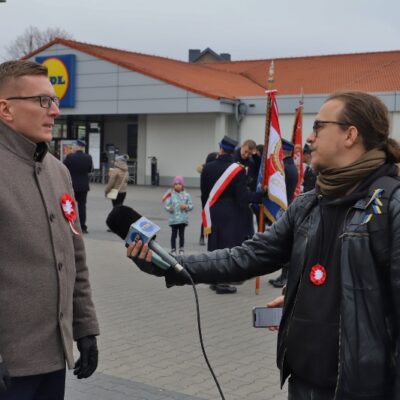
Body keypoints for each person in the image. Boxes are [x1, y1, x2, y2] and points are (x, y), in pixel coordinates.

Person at [128, 91, 400, 399]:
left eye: (319, 126)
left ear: (350, 134)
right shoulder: (309, 204)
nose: (309, 138)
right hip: (302, 382)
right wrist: (170, 265)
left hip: (364, 389)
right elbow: (249, 256)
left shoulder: (391, 204)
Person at [0, 60, 99, 399]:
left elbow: (74, 257)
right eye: (43, 101)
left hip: (53, 357)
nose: (55, 111)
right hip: (9, 363)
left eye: (54, 101)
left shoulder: (58, 171)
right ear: (6, 109)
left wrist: (85, 328)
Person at [200, 135, 263, 294]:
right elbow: (242, 198)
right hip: (231, 213)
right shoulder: (238, 170)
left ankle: (214, 280)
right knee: (226, 247)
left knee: (214, 245)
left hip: (213, 210)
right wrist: (259, 196)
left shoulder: (208, 167)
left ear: (220, 148)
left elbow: (204, 194)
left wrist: (206, 212)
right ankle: (222, 283)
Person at [269, 138, 298, 288]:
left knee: (284, 242)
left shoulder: (284, 169)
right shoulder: (292, 166)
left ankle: (284, 277)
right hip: (288, 205)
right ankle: (284, 275)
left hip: (283, 208)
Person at [64, 139, 93, 234]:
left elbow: (64, 168)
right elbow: (89, 170)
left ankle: (71, 225)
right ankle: (83, 227)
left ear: (76, 147)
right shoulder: (88, 157)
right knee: (82, 206)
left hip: (71, 185)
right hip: (83, 186)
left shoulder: (70, 157)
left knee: (70, 205)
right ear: (83, 148)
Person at [164, 176, 193, 255]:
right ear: (173, 185)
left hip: (183, 220)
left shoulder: (187, 195)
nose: (178, 185)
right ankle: (173, 249)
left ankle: (181, 249)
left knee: (181, 235)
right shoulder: (171, 195)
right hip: (173, 220)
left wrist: (186, 206)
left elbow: (191, 206)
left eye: (180, 184)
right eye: (176, 184)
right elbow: (166, 205)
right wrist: (169, 208)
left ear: (182, 185)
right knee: (173, 235)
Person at [197, 151, 218, 246]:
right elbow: (204, 187)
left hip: (211, 196)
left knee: (212, 216)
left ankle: (208, 235)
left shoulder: (211, 170)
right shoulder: (206, 171)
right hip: (206, 197)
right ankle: (202, 235)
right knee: (206, 216)